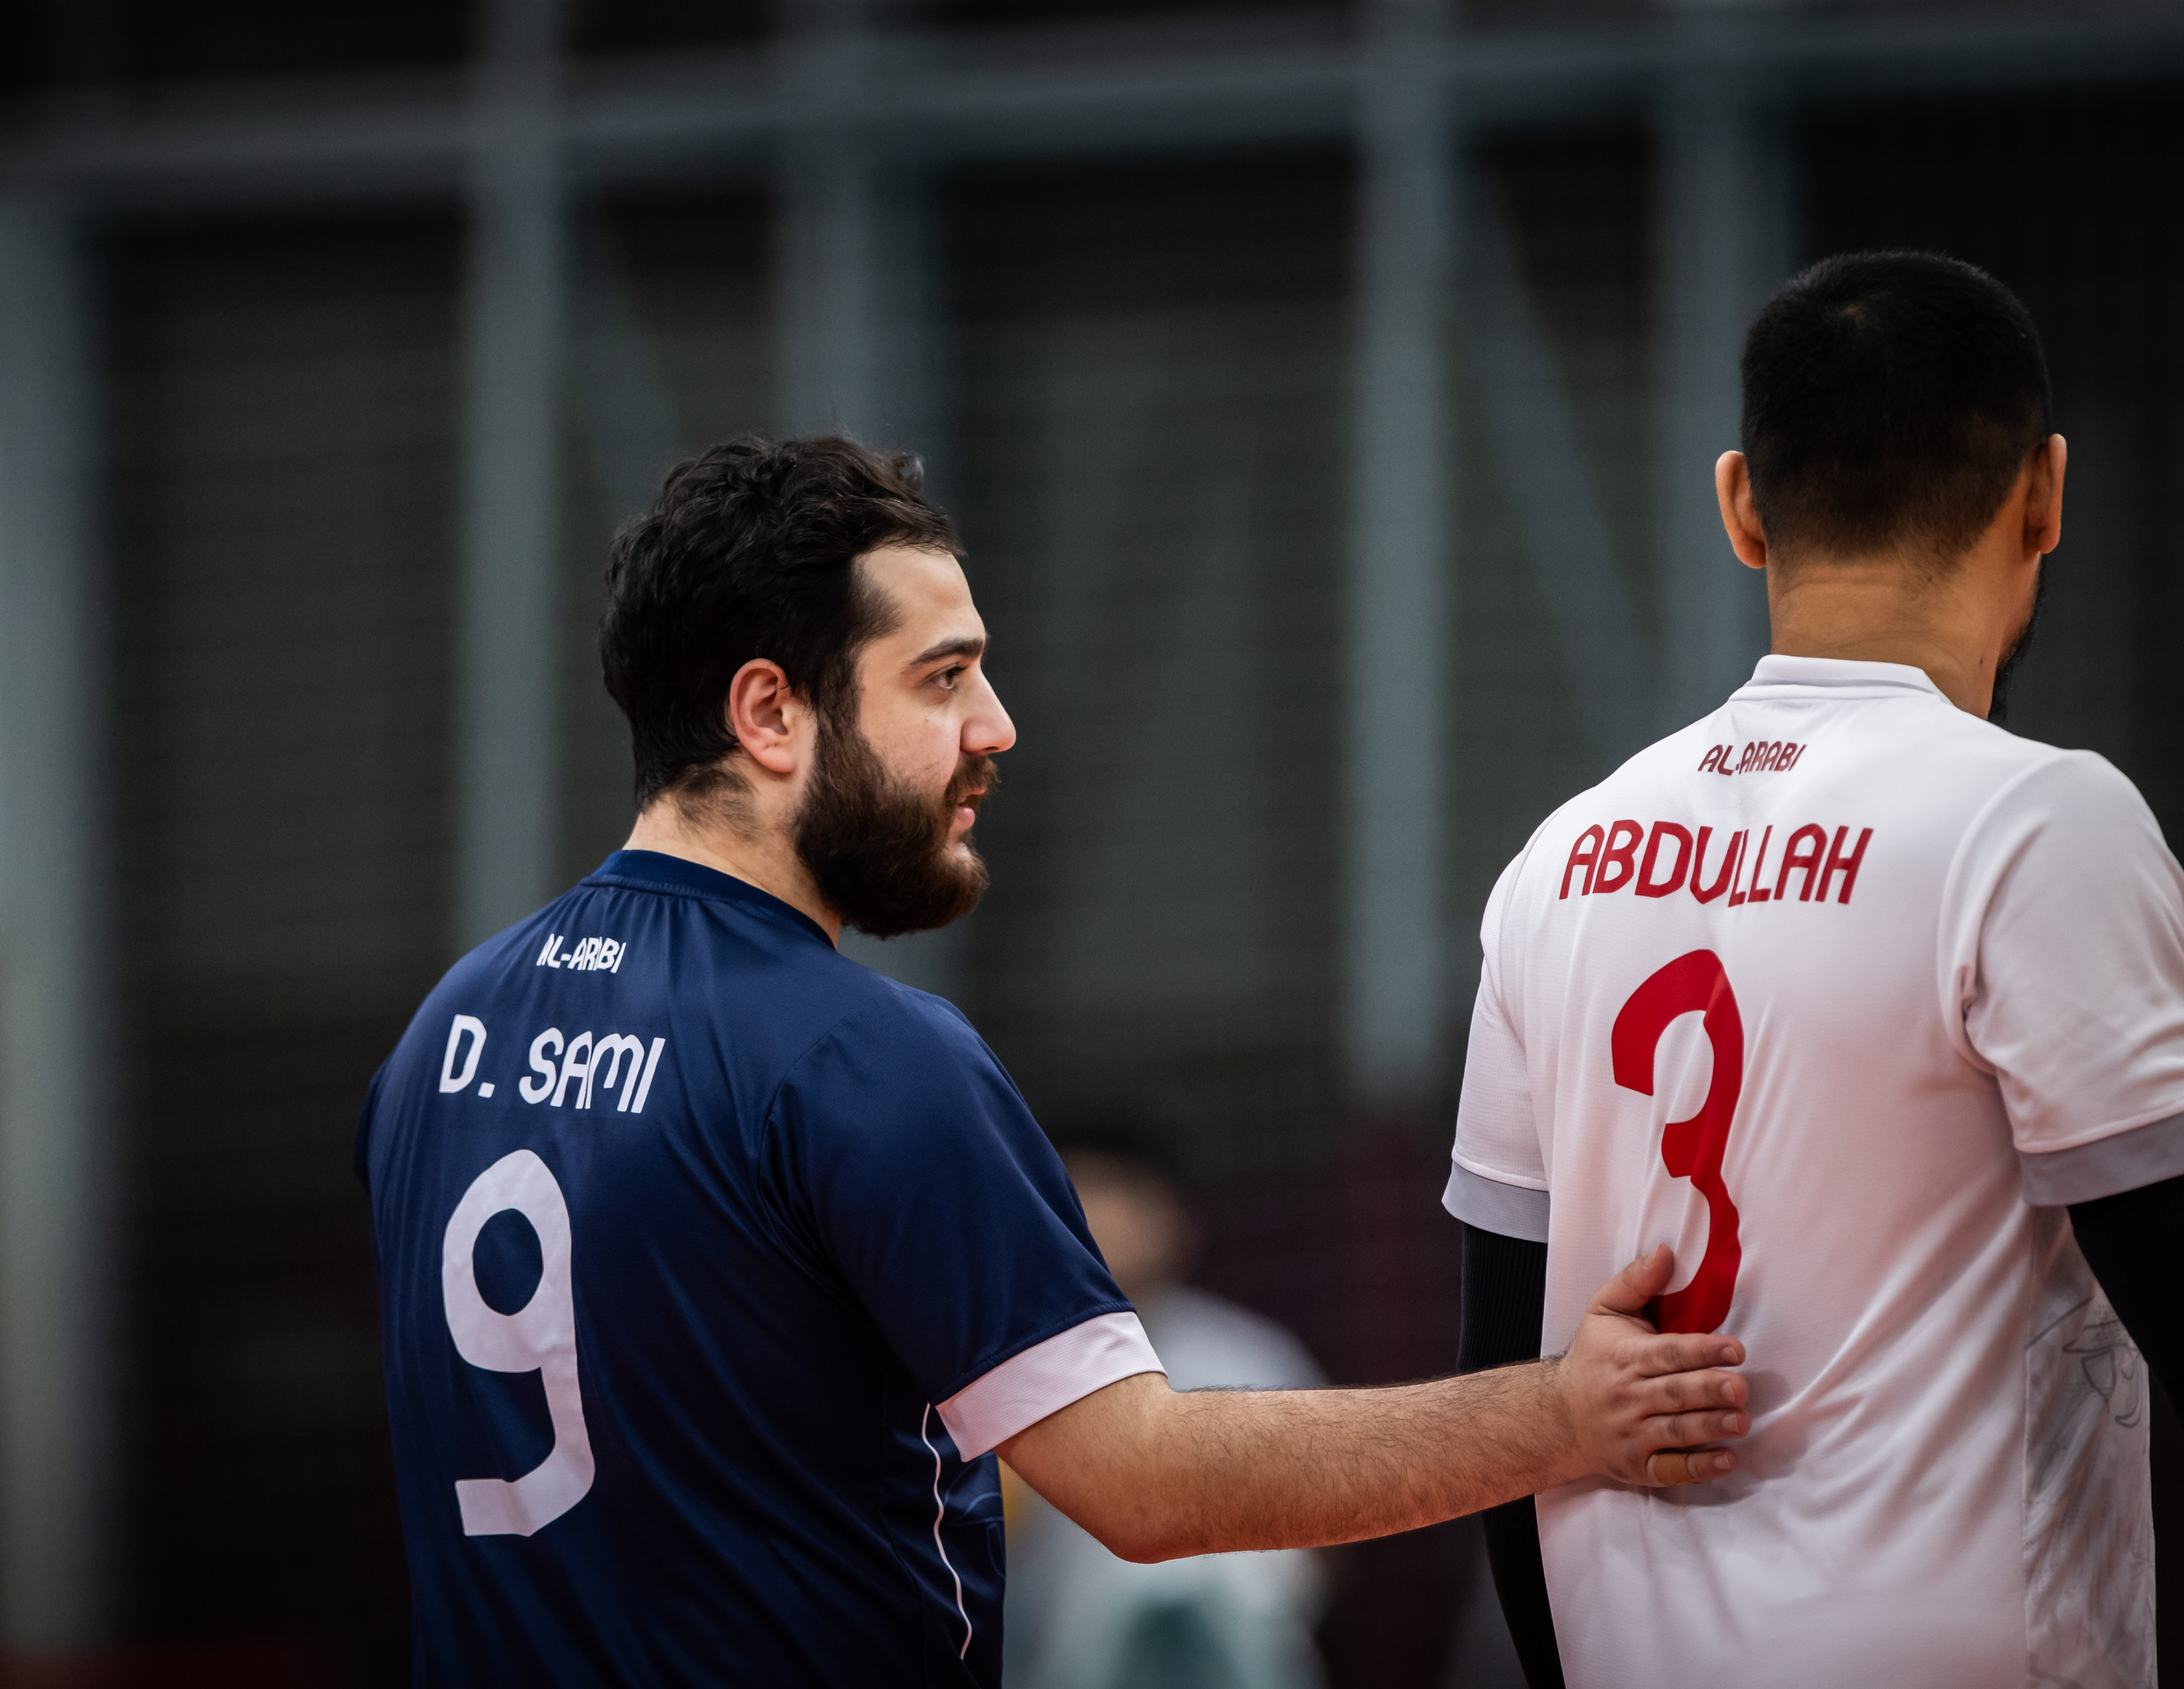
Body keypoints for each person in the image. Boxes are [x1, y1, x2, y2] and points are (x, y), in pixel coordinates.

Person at [360, 435, 1750, 1686]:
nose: (996, 725)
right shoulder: (858, 1059)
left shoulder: (442, 1036)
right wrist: (1566, 1412)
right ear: (770, 714)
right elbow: (1146, 1486)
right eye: (942, 677)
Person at [1445, 251, 2184, 1687]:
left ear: (1740, 507)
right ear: (2045, 493)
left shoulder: (1559, 857)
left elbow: (1503, 1393)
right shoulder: (2040, 821)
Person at [1004, 1125, 1328, 1689]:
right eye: (1075, 1189)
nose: (1099, 1215)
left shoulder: (1252, 1357)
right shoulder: (991, 1372)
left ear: (1179, 1219)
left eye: (1122, 1190)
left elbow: (1322, 1562)